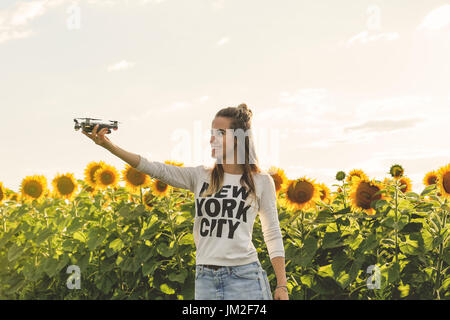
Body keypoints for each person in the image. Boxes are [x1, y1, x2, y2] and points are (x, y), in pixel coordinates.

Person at [82, 103, 288, 300]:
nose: (211, 140)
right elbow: (153, 168)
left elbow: (272, 233)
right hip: (206, 279)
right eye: (211, 134)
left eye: (220, 134)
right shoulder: (200, 176)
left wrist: (282, 284)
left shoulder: (261, 181)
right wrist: (108, 146)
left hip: (245, 279)